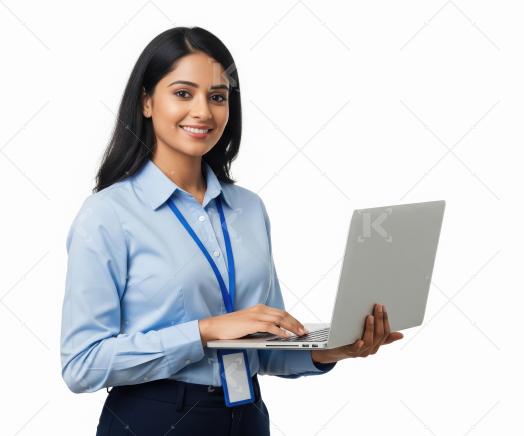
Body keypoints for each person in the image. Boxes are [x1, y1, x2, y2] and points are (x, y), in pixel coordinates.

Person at [59, 26, 404, 436]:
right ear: (147, 101)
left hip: (247, 416)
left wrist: (332, 350)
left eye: (217, 96)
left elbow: (265, 346)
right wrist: (203, 332)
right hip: (154, 419)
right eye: (183, 93)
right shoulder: (107, 214)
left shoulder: (248, 208)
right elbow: (82, 364)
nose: (203, 111)